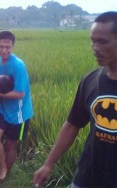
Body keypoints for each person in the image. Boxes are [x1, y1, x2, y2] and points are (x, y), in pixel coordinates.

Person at [33, 11, 117, 188]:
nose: (95, 47)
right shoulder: (90, 80)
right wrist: (48, 164)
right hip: (87, 177)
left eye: (102, 41)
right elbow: (72, 124)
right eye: (93, 41)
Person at [0, 31, 33, 180]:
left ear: (13, 46)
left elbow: (20, 94)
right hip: (2, 106)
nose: (4, 50)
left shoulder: (18, 66)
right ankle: (3, 167)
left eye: (8, 47)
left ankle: (6, 175)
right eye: (1, 46)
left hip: (19, 112)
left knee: (10, 145)